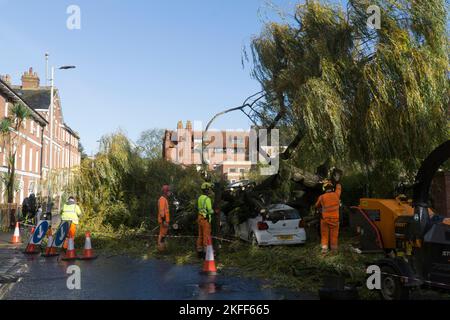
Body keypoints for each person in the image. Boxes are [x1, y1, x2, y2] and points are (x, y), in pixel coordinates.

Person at [315, 181, 342, 254]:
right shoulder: (336, 195)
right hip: (335, 220)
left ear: (325, 189)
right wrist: (338, 182)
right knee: (334, 235)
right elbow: (339, 189)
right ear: (332, 188)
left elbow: (316, 205)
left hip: (325, 220)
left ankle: (324, 250)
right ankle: (334, 250)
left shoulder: (321, 197)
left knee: (324, 235)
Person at [197, 182, 214, 258]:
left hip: (200, 218)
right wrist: (215, 211)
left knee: (200, 235)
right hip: (205, 219)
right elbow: (210, 210)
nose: (210, 191)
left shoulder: (200, 198)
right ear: (206, 190)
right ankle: (205, 253)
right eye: (209, 189)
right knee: (206, 236)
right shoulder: (207, 199)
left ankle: (199, 251)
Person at [157, 185, 171, 252]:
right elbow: (161, 211)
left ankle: (162, 248)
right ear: (165, 192)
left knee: (163, 235)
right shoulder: (162, 199)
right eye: (168, 191)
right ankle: (160, 249)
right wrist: (164, 221)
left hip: (165, 221)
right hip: (164, 221)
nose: (169, 192)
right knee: (162, 235)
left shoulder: (164, 199)